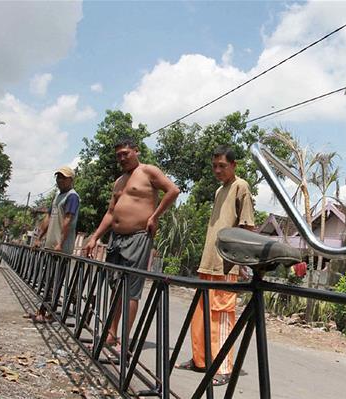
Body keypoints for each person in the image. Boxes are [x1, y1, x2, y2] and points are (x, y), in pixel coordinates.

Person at [83, 138, 179, 349]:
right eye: (118, 155)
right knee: (116, 288)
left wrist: (154, 216)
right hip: (116, 240)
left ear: (136, 151)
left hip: (138, 237)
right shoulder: (119, 181)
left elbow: (173, 190)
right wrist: (95, 237)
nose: (122, 158)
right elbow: (110, 212)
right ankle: (110, 335)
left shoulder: (148, 172)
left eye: (126, 153)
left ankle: (123, 344)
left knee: (130, 290)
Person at [176, 145, 255, 387]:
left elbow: (247, 227)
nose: (218, 170)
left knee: (221, 315)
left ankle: (223, 367)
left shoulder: (241, 186)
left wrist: (238, 262)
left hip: (225, 265)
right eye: (214, 166)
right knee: (200, 315)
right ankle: (200, 360)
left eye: (222, 165)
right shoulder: (220, 190)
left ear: (234, 165)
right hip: (208, 262)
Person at [31, 166, 80, 323]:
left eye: (63, 177)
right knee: (47, 279)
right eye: (58, 177)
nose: (59, 180)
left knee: (55, 280)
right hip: (50, 245)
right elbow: (48, 218)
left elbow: (68, 220)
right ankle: (42, 310)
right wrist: (39, 237)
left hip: (61, 247)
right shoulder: (58, 196)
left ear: (71, 180)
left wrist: (60, 243)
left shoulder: (72, 197)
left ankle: (49, 313)